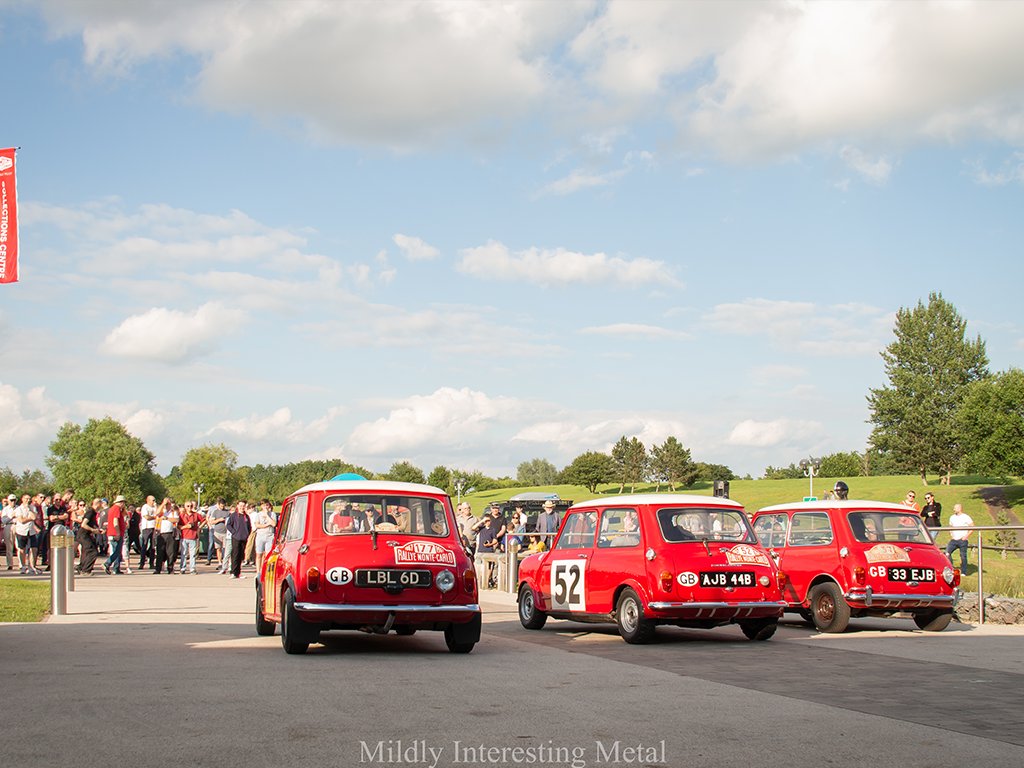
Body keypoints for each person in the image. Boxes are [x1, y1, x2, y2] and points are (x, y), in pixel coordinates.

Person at [75, 499, 103, 576]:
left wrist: (98, 530)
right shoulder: (90, 512)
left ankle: (81, 567)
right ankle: (86, 570)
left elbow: (92, 524)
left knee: (86, 552)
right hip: (83, 535)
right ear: (97, 504)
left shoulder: (93, 513)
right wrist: (93, 530)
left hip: (86, 535)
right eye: (101, 504)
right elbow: (83, 524)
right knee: (92, 552)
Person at [14, 493, 40, 574]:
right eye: (26, 499)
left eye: (29, 499)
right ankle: (22, 566)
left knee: (34, 549)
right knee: (22, 549)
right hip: (21, 531)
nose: (27, 501)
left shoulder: (32, 507)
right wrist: (29, 518)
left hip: (31, 531)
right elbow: (21, 520)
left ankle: (32, 566)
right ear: (22, 499)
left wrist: (29, 511)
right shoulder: (19, 509)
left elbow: (34, 517)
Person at [226, 501, 252, 579]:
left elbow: (249, 527)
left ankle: (238, 572)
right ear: (237, 506)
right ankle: (233, 572)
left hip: (243, 538)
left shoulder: (246, 516)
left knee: (241, 555)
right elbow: (228, 525)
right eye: (240, 505)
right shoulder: (233, 515)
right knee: (235, 555)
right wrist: (234, 532)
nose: (242, 507)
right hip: (236, 538)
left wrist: (247, 534)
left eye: (243, 506)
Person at [103, 495, 127, 575]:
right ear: (121, 503)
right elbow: (115, 521)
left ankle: (116, 568)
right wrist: (118, 532)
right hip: (115, 532)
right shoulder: (116, 509)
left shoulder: (112, 509)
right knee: (117, 551)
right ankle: (107, 563)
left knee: (117, 551)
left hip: (111, 532)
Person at [945, 503, 973, 571]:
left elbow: (972, 527)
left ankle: (964, 571)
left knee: (963, 556)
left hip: (962, 540)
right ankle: (951, 568)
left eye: (955, 508)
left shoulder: (966, 517)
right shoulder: (952, 517)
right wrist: (951, 534)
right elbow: (950, 527)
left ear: (959, 508)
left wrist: (966, 536)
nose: (953, 509)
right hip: (954, 539)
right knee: (947, 553)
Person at [253, 501, 276, 575]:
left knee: (268, 554)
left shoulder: (272, 514)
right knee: (259, 554)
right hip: (260, 536)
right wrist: (266, 525)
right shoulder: (258, 515)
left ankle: (265, 570)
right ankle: (258, 571)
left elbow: (273, 524)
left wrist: (267, 516)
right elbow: (257, 525)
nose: (265, 507)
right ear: (261, 506)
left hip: (269, 536)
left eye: (267, 505)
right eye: (264, 505)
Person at [178, 502, 201, 574]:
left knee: (193, 554)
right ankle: (182, 568)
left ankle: (192, 568)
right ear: (185, 507)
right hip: (184, 536)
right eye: (188, 506)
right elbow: (178, 526)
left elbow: (204, 520)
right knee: (184, 553)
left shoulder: (196, 515)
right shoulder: (182, 515)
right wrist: (186, 526)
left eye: (191, 506)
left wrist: (199, 527)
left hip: (193, 536)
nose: (189, 507)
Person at [138, 495, 158, 570]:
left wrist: (156, 507)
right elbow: (146, 517)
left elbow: (158, 514)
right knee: (144, 545)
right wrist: (154, 517)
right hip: (146, 528)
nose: (154, 502)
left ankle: (152, 563)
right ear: (148, 500)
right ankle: (142, 563)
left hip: (154, 527)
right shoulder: (145, 507)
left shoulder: (154, 507)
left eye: (154, 500)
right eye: (152, 500)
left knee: (153, 547)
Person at [2, 494, 17, 570]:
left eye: (14, 500)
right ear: (8, 501)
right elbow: (4, 520)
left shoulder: (18, 508)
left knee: (19, 546)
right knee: (9, 546)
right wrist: (11, 516)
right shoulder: (6, 509)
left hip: (17, 525)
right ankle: (10, 564)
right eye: (11, 500)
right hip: (9, 526)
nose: (13, 502)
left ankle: (21, 564)